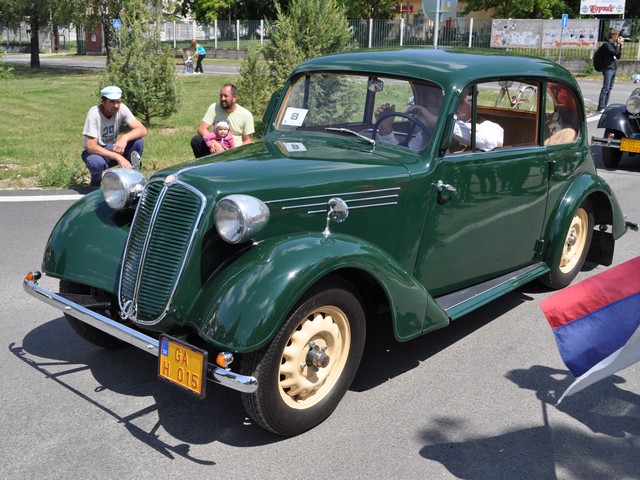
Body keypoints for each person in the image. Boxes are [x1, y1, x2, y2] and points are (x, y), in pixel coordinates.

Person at [375, 89, 503, 152]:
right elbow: (407, 156)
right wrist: (386, 130)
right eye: (445, 102)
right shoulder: (430, 132)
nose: (452, 107)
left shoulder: (486, 126)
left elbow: (493, 139)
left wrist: (440, 123)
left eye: (461, 102)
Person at [81, 85, 147, 187]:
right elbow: (91, 147)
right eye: (112, 102)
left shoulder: (122, 109)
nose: (116, 105)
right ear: (103, 101)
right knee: (96, 163)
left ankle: (130, 178)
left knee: (138, 142)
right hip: (96, 152)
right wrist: (118, 157)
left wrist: (124, 138)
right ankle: (96, 183)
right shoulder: (94, 114)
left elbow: (142, 130)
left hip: (112, 147)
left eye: (118, 102)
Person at [191, 84, 254, 158]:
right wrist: (214, 143)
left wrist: (235, 151)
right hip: (214, 148)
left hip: (234, 152)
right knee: (196, 140)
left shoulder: (246, 115)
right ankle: (205, 164)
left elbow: (248, 140)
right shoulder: (214, 107)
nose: (222, 98)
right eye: (221, 96)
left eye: (226, 96)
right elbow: (201, 128)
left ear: (234, 98)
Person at [596, 29, 624, 113]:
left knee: (610, 88)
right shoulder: (606, 45)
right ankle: (601, 107)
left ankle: (605, 105)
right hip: (608, 68)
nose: (617, 38)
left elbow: (618, 55)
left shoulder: (613, 45)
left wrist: (620, 46)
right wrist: (618, 44)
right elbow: (614, 52)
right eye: (616, 36)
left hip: (614, 68)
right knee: (606, 88)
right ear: (612, 36)